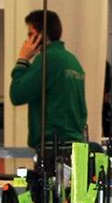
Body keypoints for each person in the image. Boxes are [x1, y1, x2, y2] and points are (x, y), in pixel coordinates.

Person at [9, 9, 87, 150]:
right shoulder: (72, 60)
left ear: (41, 35)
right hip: (75, 143)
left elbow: (17, 94)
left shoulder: (47, 59)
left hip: (54, 145)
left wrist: (22, 59)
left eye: (31, 34)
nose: (27, 41)